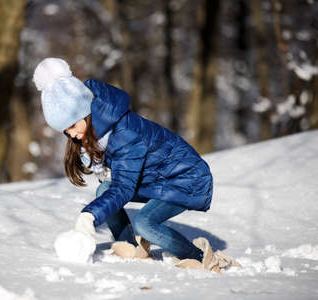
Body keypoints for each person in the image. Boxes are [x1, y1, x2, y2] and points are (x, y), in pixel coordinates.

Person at [33, 58, 233, 271]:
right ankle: (129, 248)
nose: (71, 135)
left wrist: (89, 215)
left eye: (72, 125)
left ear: (86, 113)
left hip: (187, 178)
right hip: (159, 179)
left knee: (145, 223)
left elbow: (124, 189)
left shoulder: (126, 134)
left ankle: (199, 257)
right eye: (66, 131)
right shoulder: (100, 132)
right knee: (103, 190)